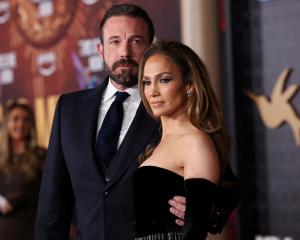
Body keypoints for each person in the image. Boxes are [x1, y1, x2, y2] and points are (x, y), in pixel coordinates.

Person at [35, 4, 239, 240]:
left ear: (150, 47)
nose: (125, 52)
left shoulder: (170, 110)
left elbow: (227, 186)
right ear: (100, 50)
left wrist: (205, 212)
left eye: (135, 41)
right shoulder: (69, 109)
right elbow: (53, 202)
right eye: (114, 41)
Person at [134, 40, 232, 240]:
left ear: (189, 86)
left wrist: (210, 212)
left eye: (164, 80)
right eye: (146, 82)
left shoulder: (195, 142)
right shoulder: (154, 142)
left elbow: (195, 231)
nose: (152, 91)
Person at [0, 100, 46, 240]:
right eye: (15, 119)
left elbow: (49, 192)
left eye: (26, 120)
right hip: (4, 229)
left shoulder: (41, 155)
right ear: (6, 123)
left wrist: (16, 201)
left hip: (32, 227)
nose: (20, 124)